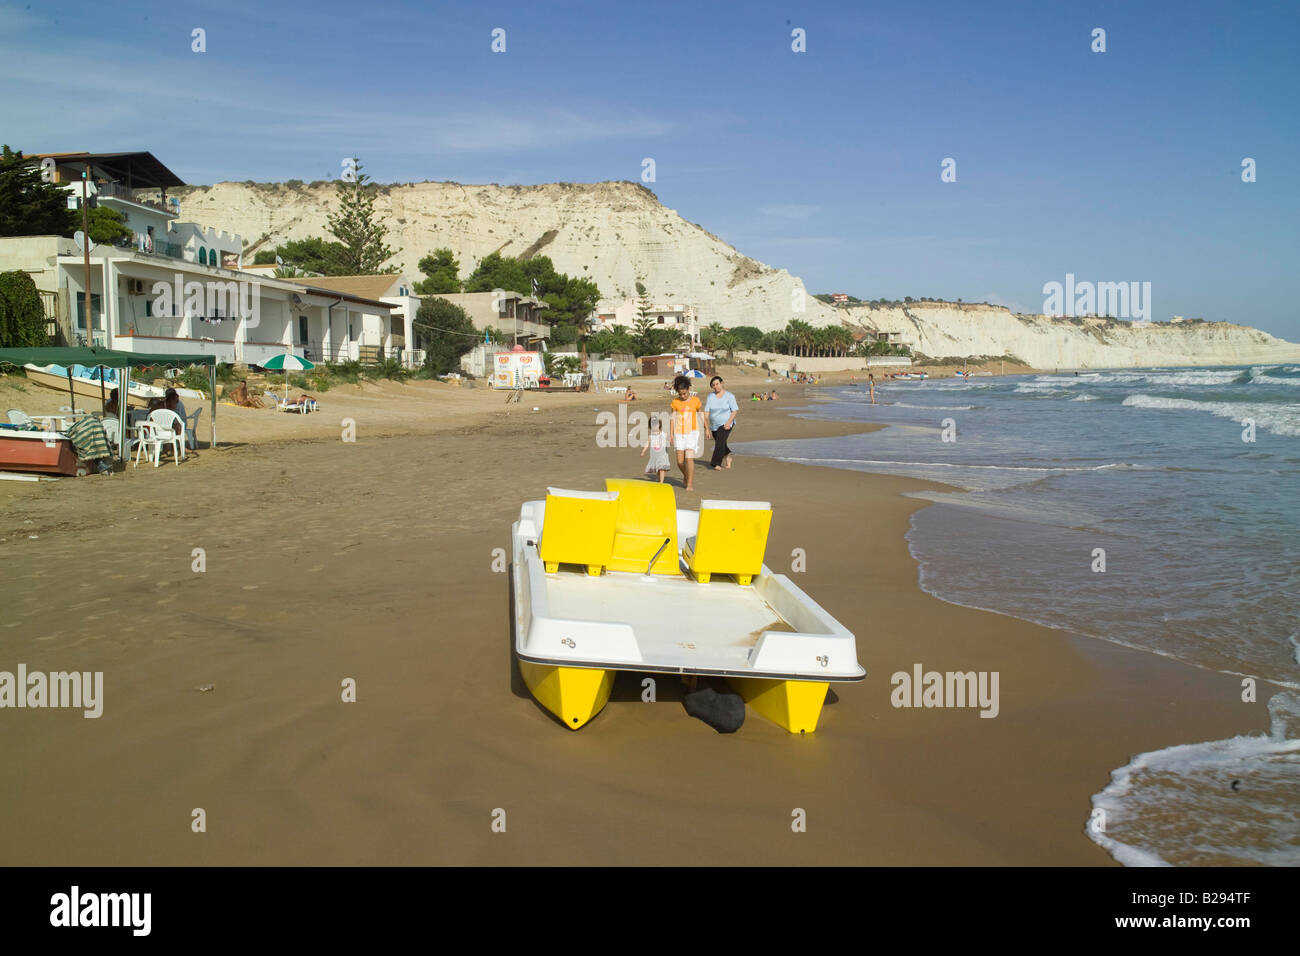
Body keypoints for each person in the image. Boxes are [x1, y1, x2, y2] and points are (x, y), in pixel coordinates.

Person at [670, 375, 704, 492]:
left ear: (688, 390)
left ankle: (689, 483)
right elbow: (673, 418)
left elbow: (701, 414)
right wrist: (671, 434)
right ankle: (686, 475)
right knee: (679, 461)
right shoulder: (675, 402)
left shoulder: (696, 400)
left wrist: (707, 428)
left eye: (684, 393)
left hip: (692, 432)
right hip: (679, 433)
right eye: (680, 394)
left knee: (689, 459)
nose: (683, 396)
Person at [704, 375, 739, 471]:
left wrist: (728, 422)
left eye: (717, 384)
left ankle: (716, 463)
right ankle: (728, 457)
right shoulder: (710, 396)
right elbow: (706, 411)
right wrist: (705, 425)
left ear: (722, 383)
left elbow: (734, 410)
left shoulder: (729, 396)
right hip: (714, 425)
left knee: (719, 443)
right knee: (721, 443)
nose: (716, 386)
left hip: (726, 423)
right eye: (713, 385)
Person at [641, 413, 671, 483]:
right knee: (658, 470)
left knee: (661, 469)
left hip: (663, 455)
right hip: (655, 456)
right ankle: (659, 480)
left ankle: (661, 482)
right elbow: (647, 444)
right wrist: (643, 451)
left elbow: (669, 439)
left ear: (659, 425)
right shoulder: (651, 436)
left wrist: (672, 441)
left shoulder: (663, 434)